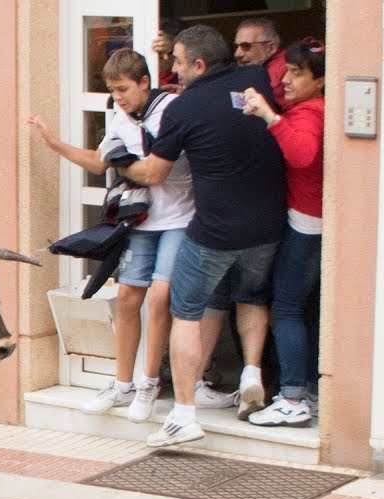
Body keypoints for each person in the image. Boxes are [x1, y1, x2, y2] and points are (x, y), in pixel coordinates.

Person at [118, 25, 286, 447]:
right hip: (268, 224)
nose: (171, 69)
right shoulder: (257, 80)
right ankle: (250, 372)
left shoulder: (183, 107)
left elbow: (154, 172)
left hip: (215, 231)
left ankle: (184, 413)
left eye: (176, 61)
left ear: (198, 64)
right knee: (251, 297)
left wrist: (119, 165)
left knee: (186, 311)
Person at [28, 48, 194, 422]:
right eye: (113, 90)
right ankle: (122, 385)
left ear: (145, 83)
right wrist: (55, 145)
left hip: (179, 218)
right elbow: (100, 160)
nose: (118, 97)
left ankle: (149, 383)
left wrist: (130, 168)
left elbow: (157, 172)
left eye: (123, 89)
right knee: (128, 298)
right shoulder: (120, 117)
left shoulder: (173, 109)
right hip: (139, 222)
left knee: (160, 297)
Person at [242, 38, 326, 427]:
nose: (287, 80)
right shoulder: (308, 106)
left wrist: (270, 118)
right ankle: (308, 387)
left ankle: (292, 397)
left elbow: (302, 155)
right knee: (307, 309)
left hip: (306, 224)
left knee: (288, 308)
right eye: (287, 71)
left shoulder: (309, 114)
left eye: (297, 73)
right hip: (313, 221)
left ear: (319, 80)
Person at [234, 17, 290, 111]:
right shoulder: (258, 67)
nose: (237, 54)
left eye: (246, 46)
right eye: (236, 46)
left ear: (271, 48)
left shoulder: (284, 69)